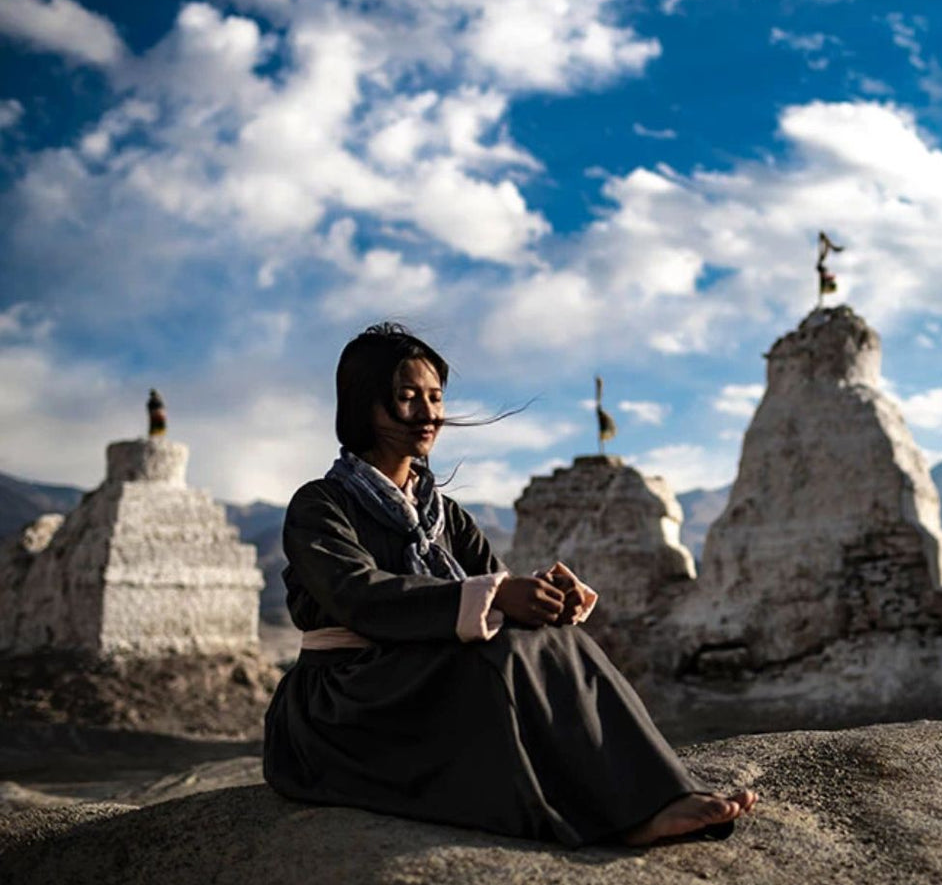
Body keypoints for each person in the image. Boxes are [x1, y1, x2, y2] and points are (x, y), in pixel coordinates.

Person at [263, 322, 755, 846]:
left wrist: (540, 598)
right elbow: (359, 596)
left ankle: (658, 795)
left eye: (434, 398)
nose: (429, 414)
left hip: (416, 674)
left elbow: (491, 587)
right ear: (364, 405)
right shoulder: (321, 506)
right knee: (499, 660)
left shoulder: (444, 515)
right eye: (407, 398)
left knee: (554, 641)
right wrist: (496, 597)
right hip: (344, 697)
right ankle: (615, 815)